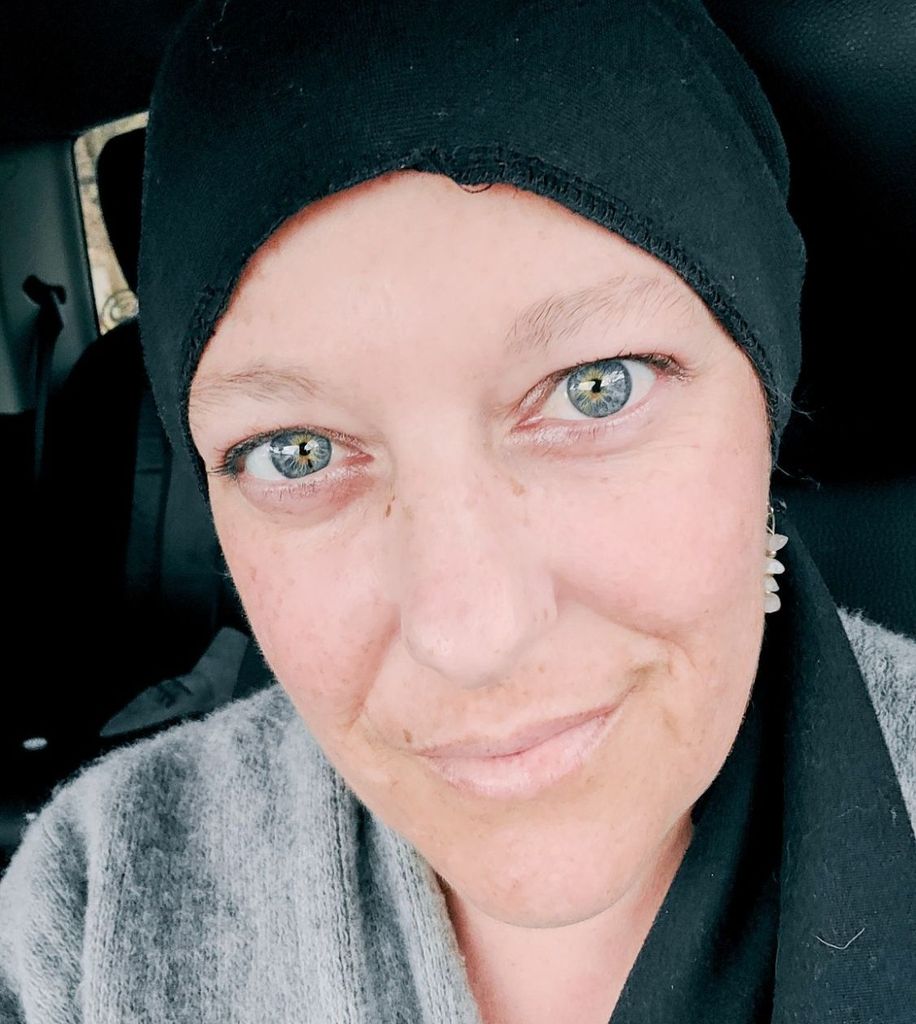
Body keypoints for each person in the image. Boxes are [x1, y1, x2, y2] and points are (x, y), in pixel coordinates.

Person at [1, 1, 914, 1021]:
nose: (469, 635)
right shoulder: (96, 898)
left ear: (764, 408)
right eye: (296, 453)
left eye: (596, 389)